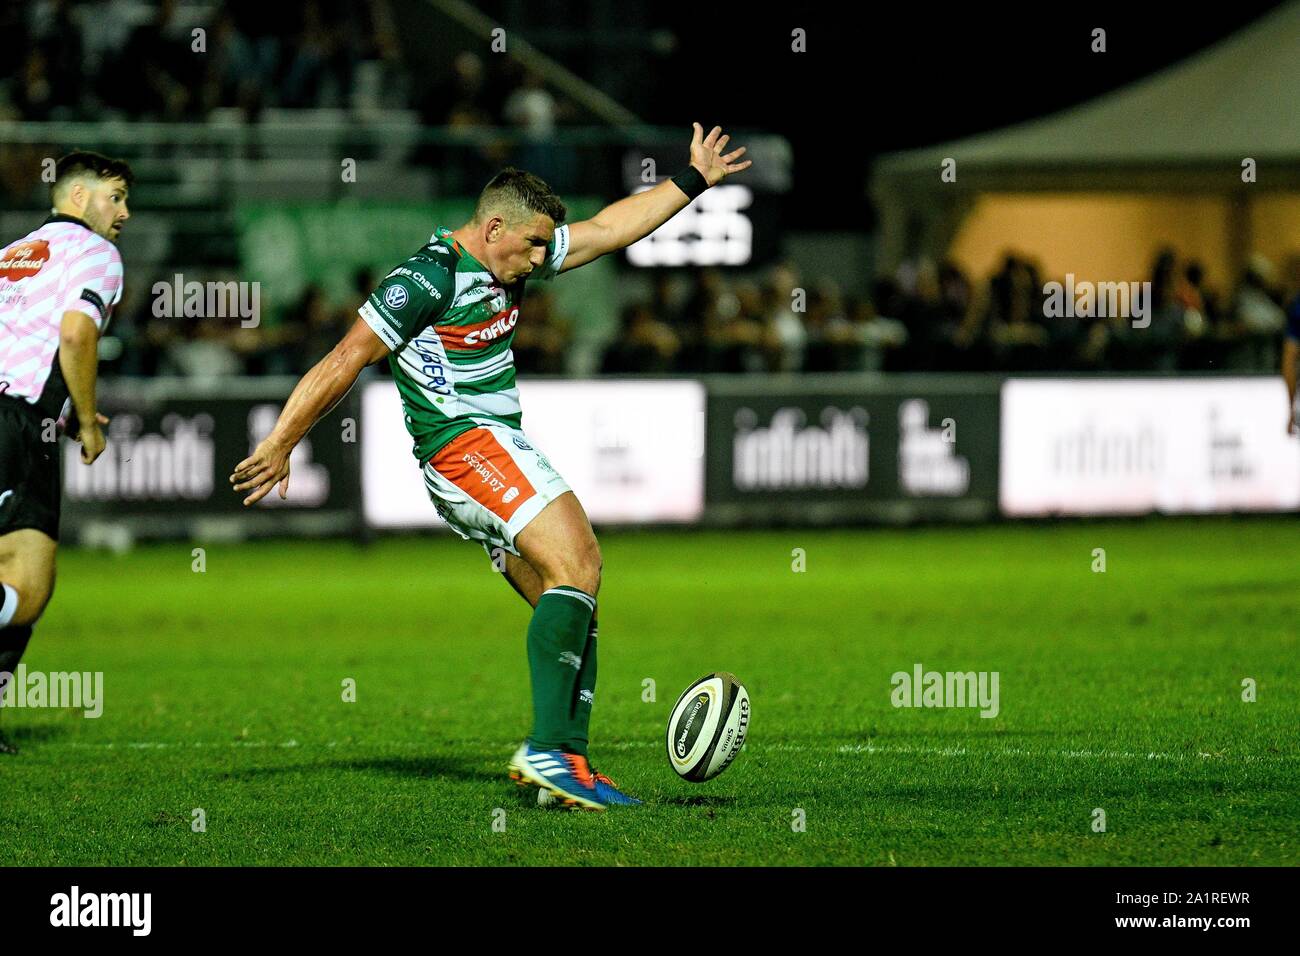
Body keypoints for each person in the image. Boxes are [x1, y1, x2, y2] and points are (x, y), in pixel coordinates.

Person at [230, 123, 750, 810]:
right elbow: (347, 355)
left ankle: (567, 768)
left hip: (488, 445)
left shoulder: (516, 253)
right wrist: (282, 438)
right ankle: (549, 754)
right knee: (582, 561)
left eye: (544, 246)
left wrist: (691, 181)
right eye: (532, 244)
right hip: (464, 445)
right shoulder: (429, 277)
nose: (540, 259)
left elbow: (607, 230)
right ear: (494, 224)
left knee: (571, 601)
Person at [0, 151, 132, 754]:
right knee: (26, 588)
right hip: (18, 428)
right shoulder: (97, 255)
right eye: (116, 196)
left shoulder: (12, 256)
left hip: (25, 420)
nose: (124, 212)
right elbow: (77, 334)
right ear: (79, 197)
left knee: (27, 586)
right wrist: (86, 420)